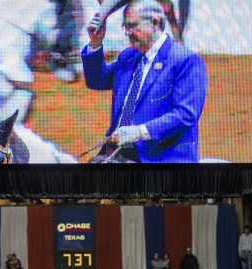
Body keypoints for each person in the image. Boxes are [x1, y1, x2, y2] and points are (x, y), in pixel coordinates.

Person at [82, 0, 207, 163]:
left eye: (132, 26)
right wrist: (95, 43)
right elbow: (97, 81)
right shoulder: (128, 57)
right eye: (125, 27)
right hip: (116, 151)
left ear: (155, 23)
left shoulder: (185, 60)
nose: (128, 33)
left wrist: (140, 131)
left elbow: (186, 115)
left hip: (158, 156)